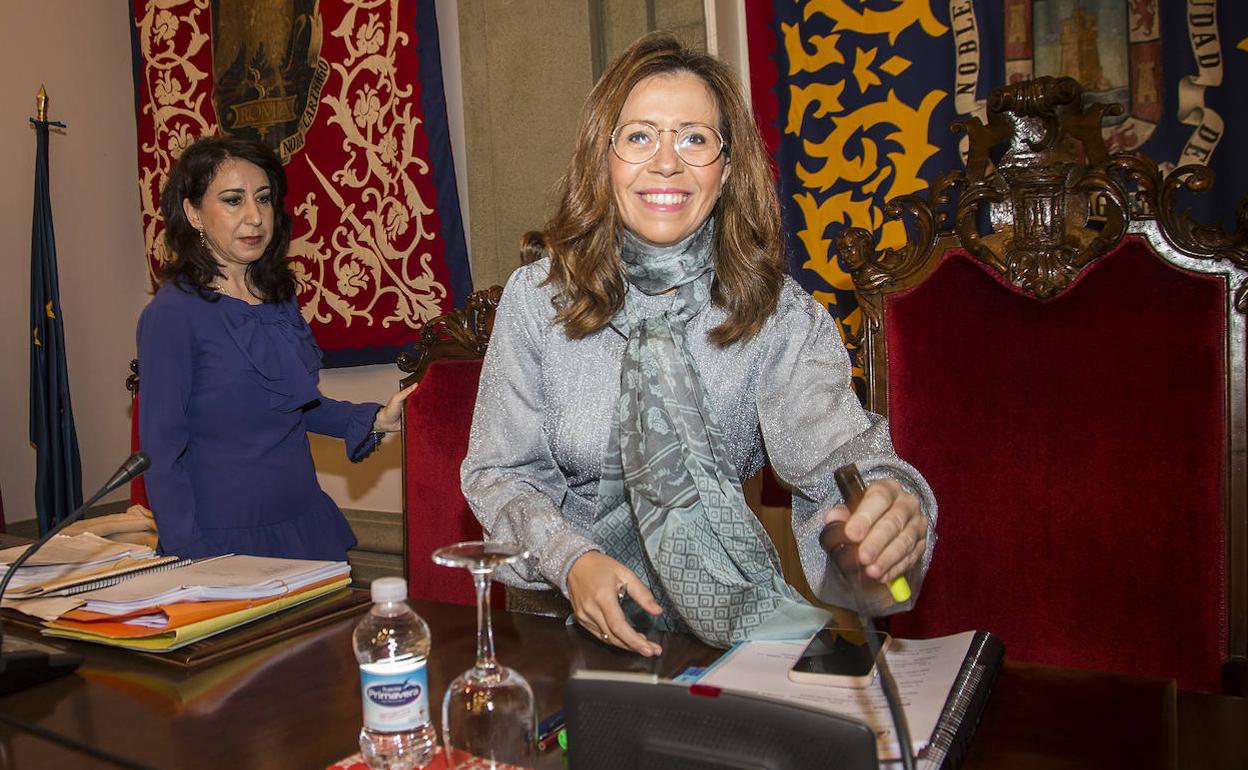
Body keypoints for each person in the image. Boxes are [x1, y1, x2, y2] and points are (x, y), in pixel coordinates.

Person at [462, 33, 936, 655]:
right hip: (554, 629)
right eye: (639, 137)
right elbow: (500, 472)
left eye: (694, 138)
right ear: (602, 158)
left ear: (727, 166)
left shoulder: (778, 315)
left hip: (718, 642)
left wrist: (886, 510)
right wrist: (571, 560)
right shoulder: (537, 300)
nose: (666, 162)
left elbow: (842, 460)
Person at [137, 136, 415, 561]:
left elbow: (298, 407)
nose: (254, 217)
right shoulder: (173, 313)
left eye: (263, 199)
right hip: (222, 543)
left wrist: (377, 418)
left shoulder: (278, 298)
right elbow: (161, 454)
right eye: (233, 200)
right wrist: (190, 556)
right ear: (193, 212)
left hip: (304, 525)